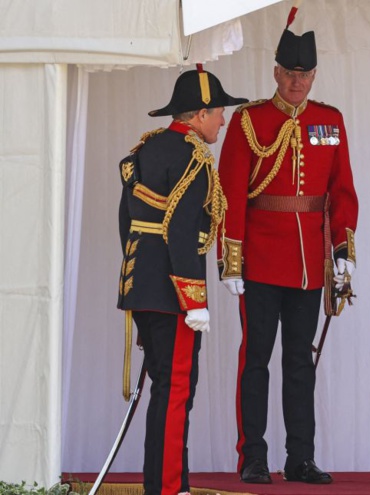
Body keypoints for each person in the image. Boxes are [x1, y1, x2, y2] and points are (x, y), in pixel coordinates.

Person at [216, 6, 359, 486]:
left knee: (301, 363)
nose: (297, 82)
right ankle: (252, 456)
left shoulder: (330, 121)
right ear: (275, 72)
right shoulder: (248, 121)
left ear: (314, 75)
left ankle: (300, 457)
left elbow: (342, 194)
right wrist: (230, 259)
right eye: (290, 73)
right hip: (258, 259)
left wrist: (342, 255)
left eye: (305, 74)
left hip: (307, 267)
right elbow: (231, 192)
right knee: (255, 361)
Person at [117, 66, 247, 495]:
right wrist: (194, 301)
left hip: (141, 287)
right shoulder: (194, 157)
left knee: (165, 392)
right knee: (175, 394)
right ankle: (169, 489)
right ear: (199, 114)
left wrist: (141, 285)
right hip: (175, 294)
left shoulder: (145, 149)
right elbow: (180, 231)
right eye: (219, 112)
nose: (224, 120)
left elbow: (128, 224)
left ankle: (168, 483)